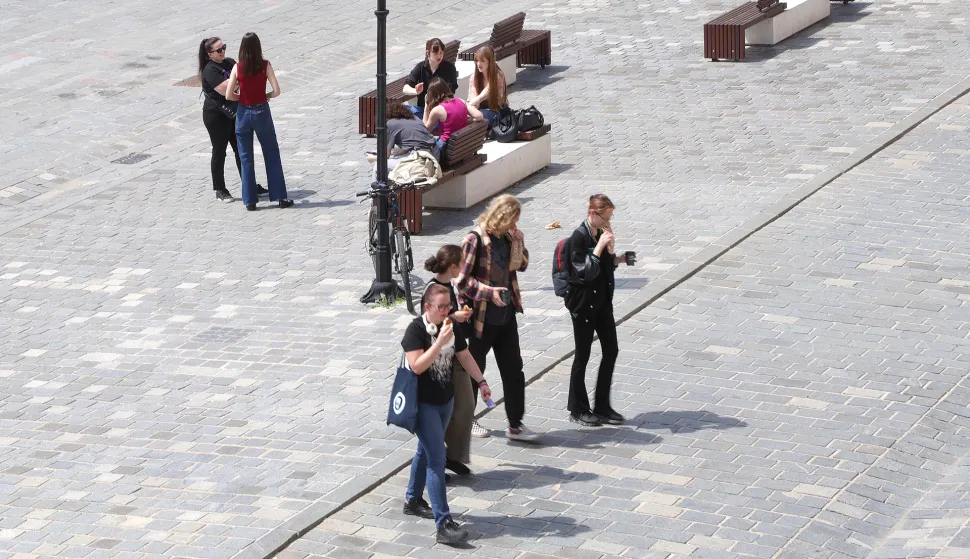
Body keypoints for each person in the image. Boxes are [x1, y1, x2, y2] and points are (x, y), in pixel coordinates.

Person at [401, 283, 492, 546]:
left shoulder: (451, 326)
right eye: (440, 307)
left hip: (445, 401)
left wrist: (482, 382)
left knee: (425, 451)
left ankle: (413, 500)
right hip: (423, 405)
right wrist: (439, 342)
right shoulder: (416, 331)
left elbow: (464, 356)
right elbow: (417, 366)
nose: (446, 311)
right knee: (436, 459)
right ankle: (444, 524)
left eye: (448, 306)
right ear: (427, 307)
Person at [456, 194, 540, 442]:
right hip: (481, 319)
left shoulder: (507, 237)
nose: (514, 226)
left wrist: (519, 244)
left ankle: (516, 424)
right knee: (474, 370)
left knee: (514, 370)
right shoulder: (474, 239)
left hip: (506, 315)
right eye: (512, 221)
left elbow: (520, 266)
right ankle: (466, 419)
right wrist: (488, 292)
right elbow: (461, 282)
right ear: (501, 217)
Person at [565, 194, 631, 426]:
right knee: (582, 355)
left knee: (611, 350)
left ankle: (602, 405)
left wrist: (617, 257)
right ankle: (577, 408)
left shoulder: (599, 233)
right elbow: (585, 273)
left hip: (602, 303)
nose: (608, 222)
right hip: (583, 306)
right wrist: (600, 247)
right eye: (606, 217)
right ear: (593, 213)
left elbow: (604, 268)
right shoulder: (578, 237)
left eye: (610, 218)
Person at [422, 246, 484, 478]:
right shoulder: (433, 289)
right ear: (453, 266)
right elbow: (428, 323)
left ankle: (452, 457)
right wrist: (452, 316)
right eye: (462, 263)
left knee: (465, 407)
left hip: (456, 352)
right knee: (442, 415)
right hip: (439, 360)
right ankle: (437, 462)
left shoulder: (451, 286)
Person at [225, 32, 293, 211]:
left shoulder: (238, 67)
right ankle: (279, 196)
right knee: (271, 153)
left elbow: (228, 94)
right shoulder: (265, 65)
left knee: (245, 157)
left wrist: (241, 97)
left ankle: (250, 201)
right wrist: (266, 96)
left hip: (243, 113)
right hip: (262, 111)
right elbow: (277, 91)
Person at [197, 37, 267, 202]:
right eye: (219, 50)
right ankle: (220, 189)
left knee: (241, 149)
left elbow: (239, 80)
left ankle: (249, 185)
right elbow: (225, 90)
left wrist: (237, 79)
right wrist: (238, 78)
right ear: (209, 54)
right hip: (216, 116)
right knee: (219, 151)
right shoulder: (209, 70)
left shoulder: (229, 62)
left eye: (224, 48)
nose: (223, 52)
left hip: (235, 112)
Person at [423, 77, 483, 154]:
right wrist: (466, 121)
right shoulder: (461, 101)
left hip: (448, 149)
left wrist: (426, 106)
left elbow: (425, 131)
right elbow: (479, 116)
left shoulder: (437, 110)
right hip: (463, 144)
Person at [403, 38, 459, 119]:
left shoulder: (449, 67)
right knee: (402, 111)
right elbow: (405, 88)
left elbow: (451, 93)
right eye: (435, 53)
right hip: (422, 109)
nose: (439, 56)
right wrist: (415, 91)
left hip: (440, 111)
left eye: (441, 52)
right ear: (428, 53)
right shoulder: (420, 67)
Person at [466, 46, 508, 126]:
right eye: (477, 61)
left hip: (497, 110)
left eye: (482, 61)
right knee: (472, 119)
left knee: (476, 118)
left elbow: (483, 95)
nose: (479, 64)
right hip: (480, 111)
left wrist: (465, 108)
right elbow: (474, 100)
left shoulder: (498, 76)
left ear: (490, 61)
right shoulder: (474, 77)